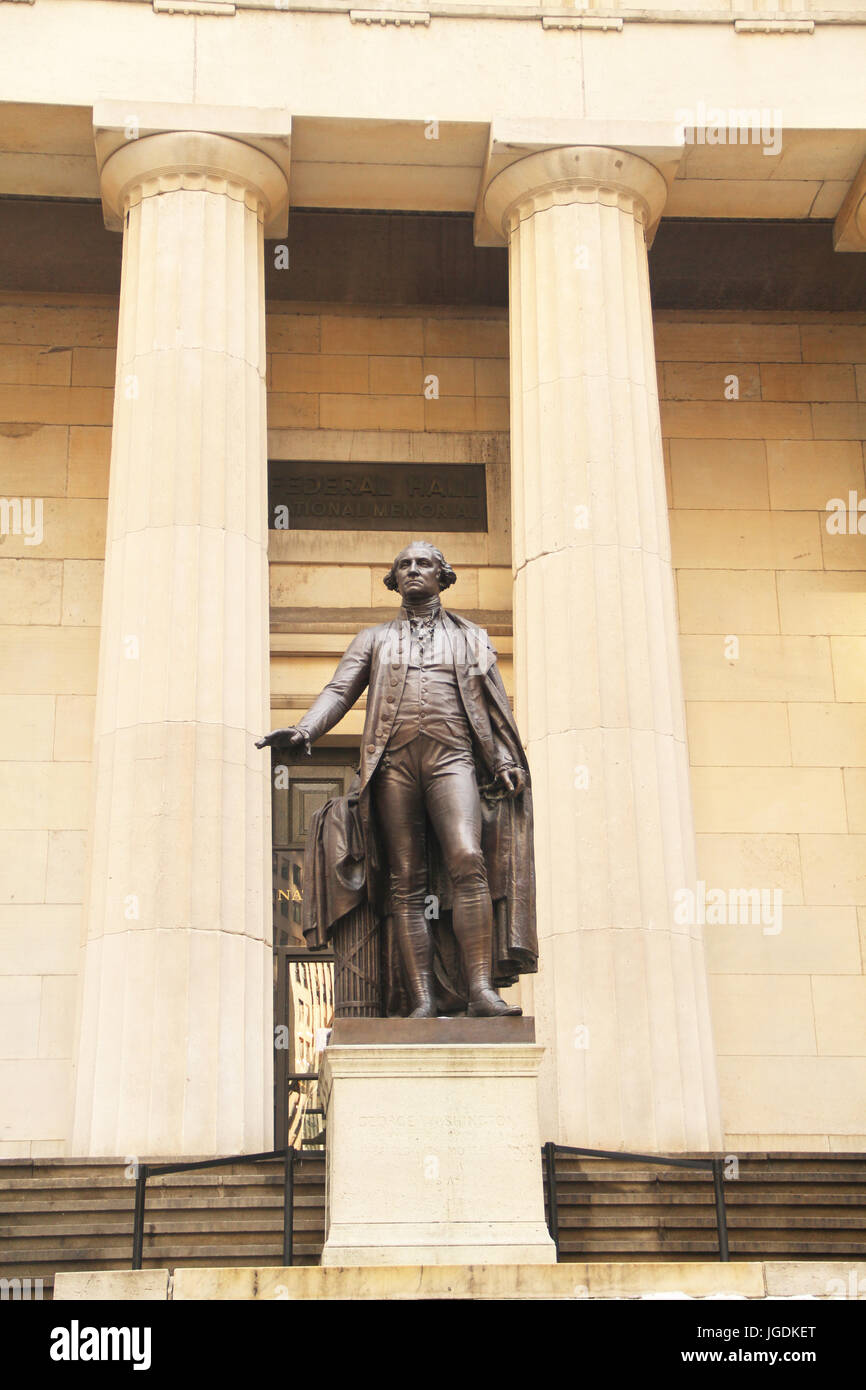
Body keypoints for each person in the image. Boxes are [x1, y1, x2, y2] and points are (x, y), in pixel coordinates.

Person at [256, 541, 537, 1018]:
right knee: (406, 881)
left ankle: (481, 991)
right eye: (403, 565)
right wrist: (305, 728)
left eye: (423, 563)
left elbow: (495, 705)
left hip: (454, 760)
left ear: (442, 576)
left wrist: (506, 757)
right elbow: (339, 689)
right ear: (393, 579)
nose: (412, 570)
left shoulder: (472, 639)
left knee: (468, 858)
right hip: (394, 766)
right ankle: (423, 999)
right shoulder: (374, 639)